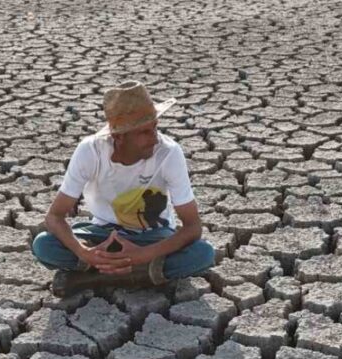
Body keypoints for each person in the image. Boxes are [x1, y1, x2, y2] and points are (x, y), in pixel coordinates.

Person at [31, 80, 216, 297]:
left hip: (152, 238)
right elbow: (54, 217)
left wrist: (141, 255)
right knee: (44, 244)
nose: (154, 138)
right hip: (102, 237)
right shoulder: (90, 151)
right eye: (144, 132)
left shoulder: (169, 153)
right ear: (118, 136)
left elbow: (193, 227)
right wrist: (86, 252)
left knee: (202, 254)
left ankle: (93, 278)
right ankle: (145, 276)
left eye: (155, 127)